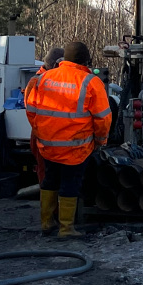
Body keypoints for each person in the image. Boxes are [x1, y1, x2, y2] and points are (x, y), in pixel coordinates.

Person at [24, 41, 111, 237]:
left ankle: (46, 223)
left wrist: (40, 131)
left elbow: (30, 109)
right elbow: (103, 118)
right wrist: (100, 140)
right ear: (85, 60)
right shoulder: (90, 82)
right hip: (76, 147)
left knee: (50, 180)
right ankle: (66, 228)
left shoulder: (42, 78)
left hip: (47, 144)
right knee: (70, 183)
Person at [27, 47, 64, 191]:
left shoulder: (37, 81)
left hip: (43, 134)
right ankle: (53, 212)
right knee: (48, 175)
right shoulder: (41, 82)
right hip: (45, 135)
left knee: (48, 175)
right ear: (57, 64)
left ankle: (50, 211)